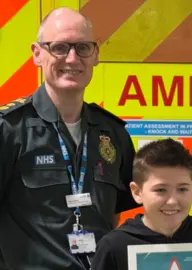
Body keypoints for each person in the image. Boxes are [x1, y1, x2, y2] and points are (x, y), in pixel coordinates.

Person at [0, 8, 139, 270]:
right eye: (60, 47)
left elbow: (114, 213)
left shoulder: (113, 133)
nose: (72, 58)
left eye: (83, 47)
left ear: (96, 54)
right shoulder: (10, 129)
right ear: (37, 54)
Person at [91, 139, 192, 270]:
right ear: (137, 192)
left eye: (182, 189)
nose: (172, 201)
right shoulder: (113, 246)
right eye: (160, 190)